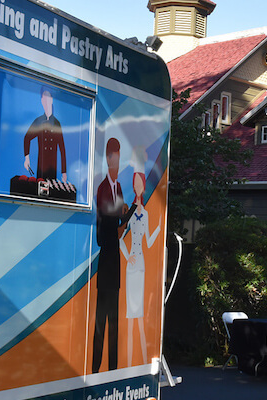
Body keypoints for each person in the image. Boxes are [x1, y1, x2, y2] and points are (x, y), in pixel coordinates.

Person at [92, 138, 135, 373]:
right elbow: (104, 230)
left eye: (120, 158)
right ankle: (96, 369)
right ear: (109, 159)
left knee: (114, 321)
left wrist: (124, 213)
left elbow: (116, 217)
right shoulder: (103, 188)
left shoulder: (117, 188)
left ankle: (113, 370)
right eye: (115, 158)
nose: (117, 164)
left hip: (114, 260)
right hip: (107, 257)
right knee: (101, 321)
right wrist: (119, 227)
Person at [119, 170, 161, 366]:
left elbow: (150, 242)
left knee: (140, 313)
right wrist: (128, 257)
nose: (137, 186)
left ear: (143, 186)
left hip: (141, 264)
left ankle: (143, 361)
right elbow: (119, 238)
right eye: (134, 183)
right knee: (130, 313)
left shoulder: (145, 213)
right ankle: (127, 363)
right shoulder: (129, 211)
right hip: (132, 265)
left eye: (139, 183)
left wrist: (159, 227)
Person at [24, 86, 67, 182]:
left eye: (48, 97)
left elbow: (62, 149)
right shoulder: (38, 121)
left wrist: (63, 172)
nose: (46, 101)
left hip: (53, 167)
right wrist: (27, 158)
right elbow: (27, 137)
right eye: (43, 98)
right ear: (41, 101)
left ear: (52, 100)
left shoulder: (56, 123)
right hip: (41, 166)